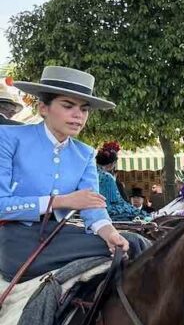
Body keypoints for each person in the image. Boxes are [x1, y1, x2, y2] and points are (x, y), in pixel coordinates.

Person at [0, 66, 146, 280]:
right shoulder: (8, 139)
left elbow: (93, 208)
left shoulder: (84, 153)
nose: (78, 115)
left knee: (132, 243)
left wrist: (110, 233)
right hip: (16, 241)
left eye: (84, 109)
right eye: (68, 106)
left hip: (59, 236)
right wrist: (61, 201)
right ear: (43, 108)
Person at [95, 142, 149, 222]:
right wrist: (136, 211)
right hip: (106, 211)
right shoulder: (107, 177)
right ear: (112, 164)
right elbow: (115, 202)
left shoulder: (91, 173)